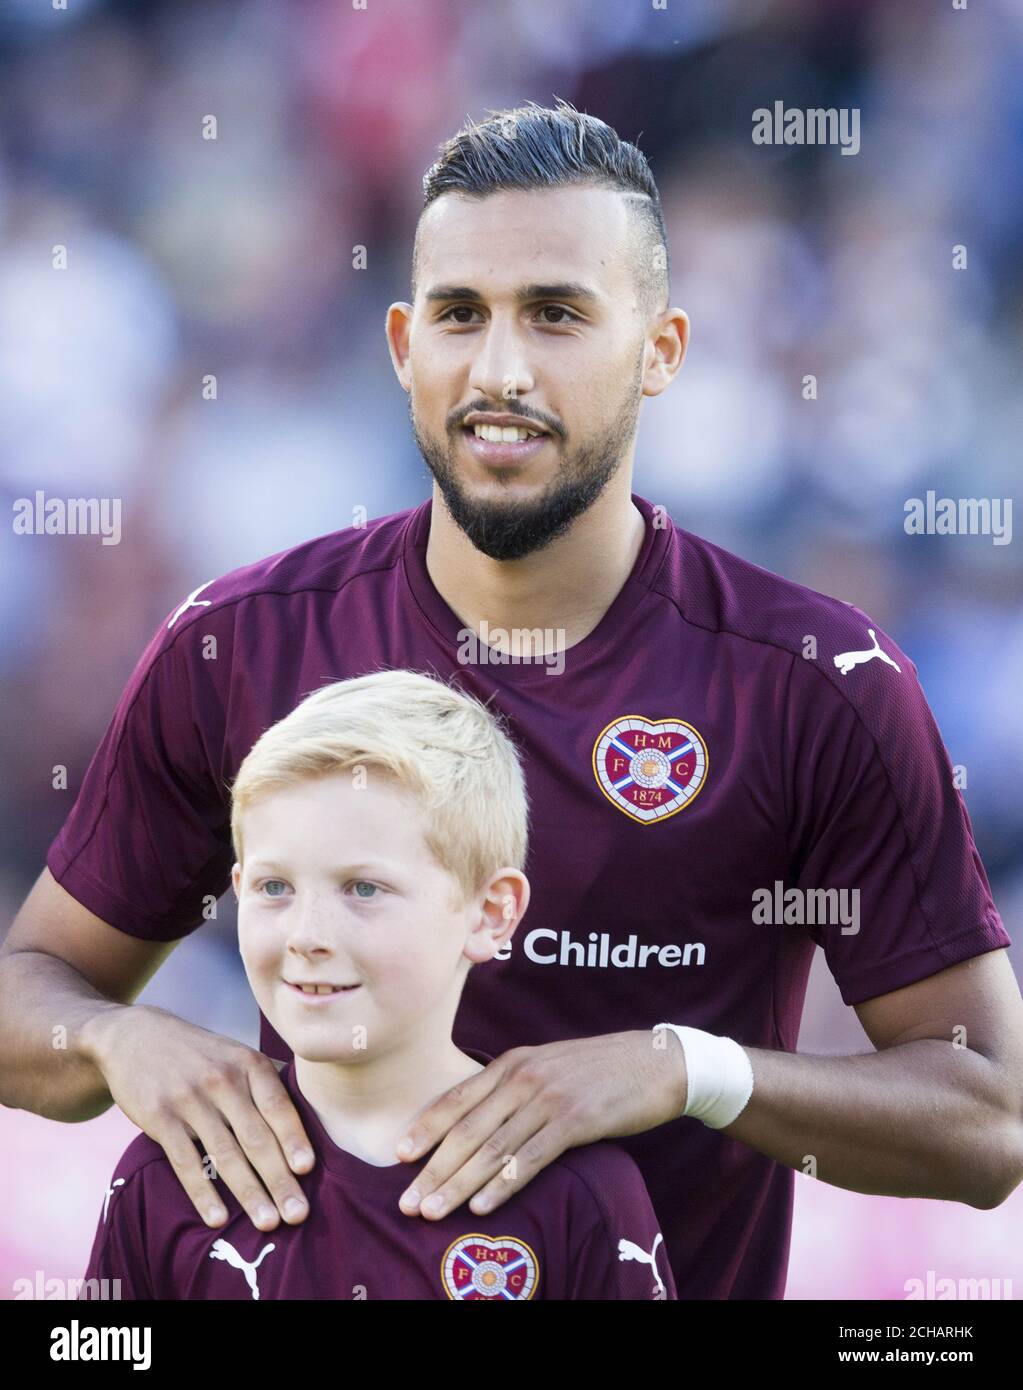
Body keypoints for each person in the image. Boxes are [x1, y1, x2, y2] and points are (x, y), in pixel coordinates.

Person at [3, 99, 1022, 1302]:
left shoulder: (815, 683)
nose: (499, 370)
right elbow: (32, 999)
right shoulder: (241, 644)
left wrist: (687, 1070)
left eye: (556, 313)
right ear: (401, 346)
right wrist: (121, 1039)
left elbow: (986, 1121)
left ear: (662, 347)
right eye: (459, 314)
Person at [81, 670, 676, 1299]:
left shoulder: (581, 1194)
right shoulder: (168, 1176)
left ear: (490, 914)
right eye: (274, 888)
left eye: (364, 889)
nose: (306, 935)